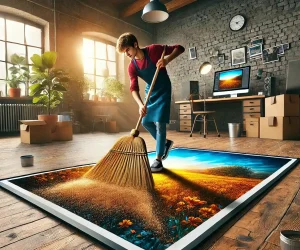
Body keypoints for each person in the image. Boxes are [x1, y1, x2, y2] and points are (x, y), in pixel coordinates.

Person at [116, 33, 185, 172]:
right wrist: (140, 105)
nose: (127, 54)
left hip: (163, 88)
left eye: (127, 50)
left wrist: (167, 60)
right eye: (124, 52)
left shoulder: (154, 50)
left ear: (135, 44)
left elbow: (180, 48)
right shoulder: (132, 66)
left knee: (160, 123)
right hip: (150, 91)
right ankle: (165, 143)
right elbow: (133, 88)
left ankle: (158, 159)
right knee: (145, 121)